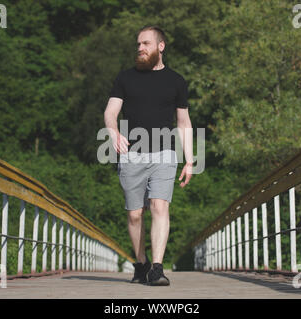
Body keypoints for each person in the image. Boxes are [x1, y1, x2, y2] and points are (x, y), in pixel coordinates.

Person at [104, 25, 193, 286]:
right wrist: (113, 133)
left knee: (159, 205)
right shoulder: (125, 78)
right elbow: (111, 112)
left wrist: (189, 160)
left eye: (145, 44)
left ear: (160, 46)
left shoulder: (177, 81)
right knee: (134, 214)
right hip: (132, 154)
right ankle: (141, 262)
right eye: (138, 44)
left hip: (165, 153)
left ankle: (156, 268)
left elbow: (184, 122)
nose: (140, 48)